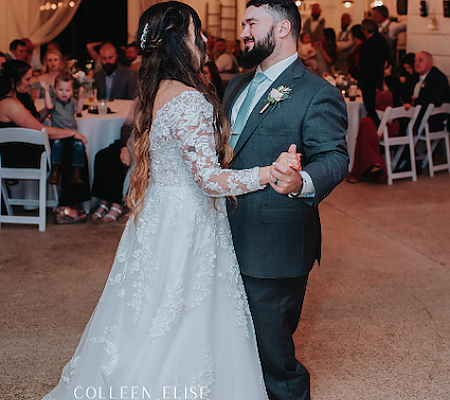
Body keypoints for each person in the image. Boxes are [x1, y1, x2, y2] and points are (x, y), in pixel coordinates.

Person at [41, 2, 300, 399]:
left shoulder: (156, 91)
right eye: (199, 32)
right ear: (182, 41)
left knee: (147, 315)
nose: (205, 39)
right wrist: (268, 173)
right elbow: (209, 180)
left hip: (158, 217)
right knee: (181, 321)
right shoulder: (189, 99)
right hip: (187, 223)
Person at [222, 0, 349, 399]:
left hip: (273, 243)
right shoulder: (236, 85)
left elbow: (334, 157)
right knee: (230, 343)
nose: (243, 31)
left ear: (280, 29)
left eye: (250, 23)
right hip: (220, 234)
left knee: (272, 355)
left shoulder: (316, 92)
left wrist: (300, 182)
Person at [0, 60, 90, 224]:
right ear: (14, 81)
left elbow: (33, 120)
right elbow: (41, 130)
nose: (30, 83)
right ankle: (64, 207)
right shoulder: (9, 104)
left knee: (71, 147)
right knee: (69, 148)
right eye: (27, 79)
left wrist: (49, 109)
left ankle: (69, 202)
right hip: (17, 155)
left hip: (24, 147)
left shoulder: (18, 98)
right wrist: (72, 133)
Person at [347, 54, 402, 183]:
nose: (390, 69)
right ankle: (375, 165)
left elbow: (399, 104)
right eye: (387, 67)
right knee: (366, 122)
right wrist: (379, 128)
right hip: (376, 121)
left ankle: (368, 169)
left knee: (364, 129)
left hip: (392, 122)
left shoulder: (393, 82)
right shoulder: (368, 85)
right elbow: (370, 110)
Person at [90, 101, 136, 222]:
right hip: (129, 142)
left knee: (118, 161)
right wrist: (124, 147)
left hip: (142, 145)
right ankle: (105, 201)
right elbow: (126, 126)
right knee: (101, 156)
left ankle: (117, 203)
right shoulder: (139, 100)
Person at [42, 74, 86, 185]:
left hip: (71, 135)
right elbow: (48, 106)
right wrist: (47, 91)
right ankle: (55, 172)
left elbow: (79, 110)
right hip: (58, 135)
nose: (64, 92)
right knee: (57, 146)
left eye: (67, 90)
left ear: (72, 91)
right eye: (60, 89)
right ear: (55, 90)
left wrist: (80, 97)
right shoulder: (54, 103)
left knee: (79, 146)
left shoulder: (72, 102)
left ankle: (76, 172)